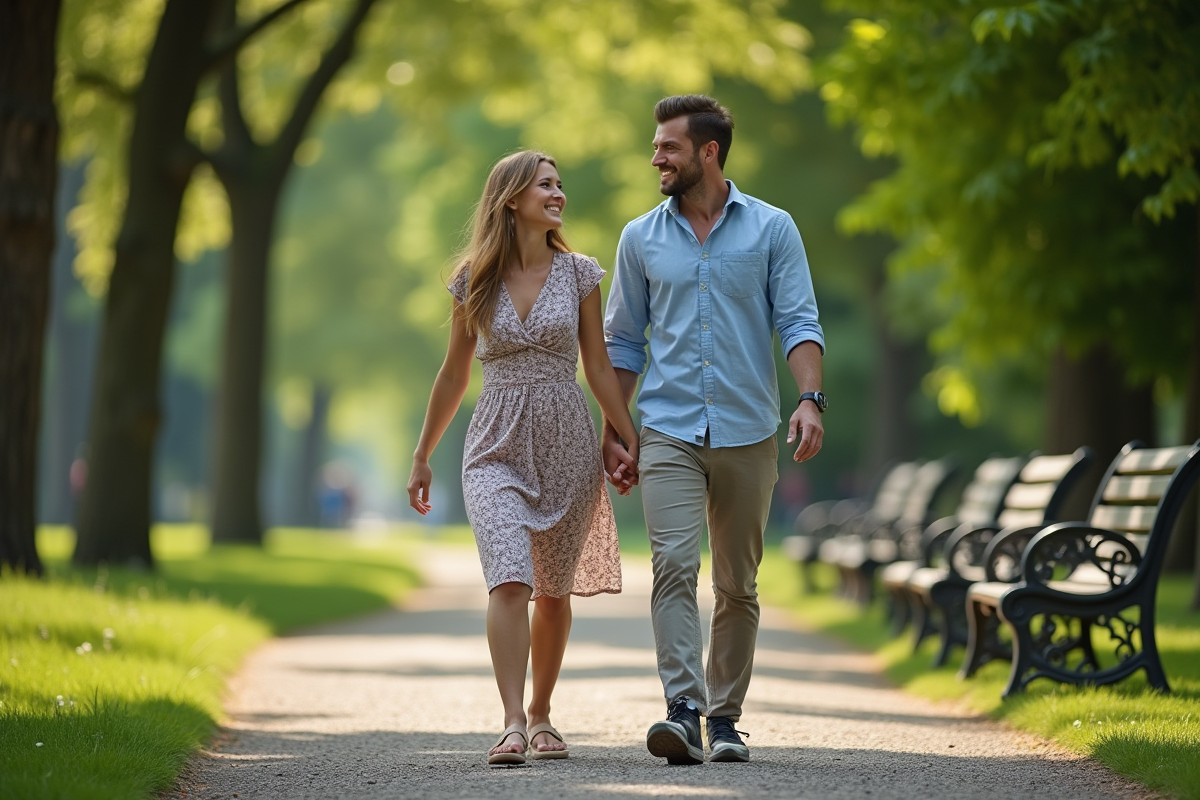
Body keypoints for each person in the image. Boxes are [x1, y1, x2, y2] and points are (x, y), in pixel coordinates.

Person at [602, 95, 826, 765]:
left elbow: (799, 321)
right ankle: (684, 708)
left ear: (709, 151)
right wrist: (615, 431)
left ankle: (725, 719)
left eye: (667, 146)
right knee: (672, 564)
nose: (655, 158)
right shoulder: (639, 237)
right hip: (667, 427)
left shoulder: (772, 229)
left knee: (738, 584)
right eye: (656, 145)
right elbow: (621, 344)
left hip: (749, 428)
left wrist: (809, 398)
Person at [407, 150, 640, 766]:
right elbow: (455, 372)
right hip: (493, 444)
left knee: (554, 594)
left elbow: (596, 366)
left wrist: (625, 434)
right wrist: (423, 453)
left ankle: (542, 716)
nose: (558, 193)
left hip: (566, 441)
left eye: (560, 185)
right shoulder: (473, 279)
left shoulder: (582, 274)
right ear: (512, 199)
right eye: (545, 185)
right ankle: (512, 721)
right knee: (510, 577)